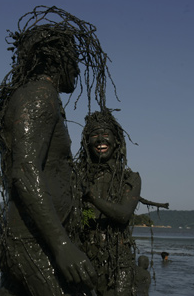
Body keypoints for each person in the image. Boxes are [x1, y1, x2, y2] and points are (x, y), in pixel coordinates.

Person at [0, 6, 116, 296]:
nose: (77, 68)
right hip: (32, 241)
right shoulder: (38, 98)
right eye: (74, 59)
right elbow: (24, 171)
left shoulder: (41, 98)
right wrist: (61, 244)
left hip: (28, 237)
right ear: (57, 58)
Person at [77, 110, 141, 295]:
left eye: (105, 135)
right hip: (84, 255)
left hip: (118, 260)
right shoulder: (78, 176)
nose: (100, 140)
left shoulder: (130, 178)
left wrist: (91, 197)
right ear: (86, 142)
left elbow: (123, 215)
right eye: (94, 135)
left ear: (117, 141)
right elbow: (82, 217)